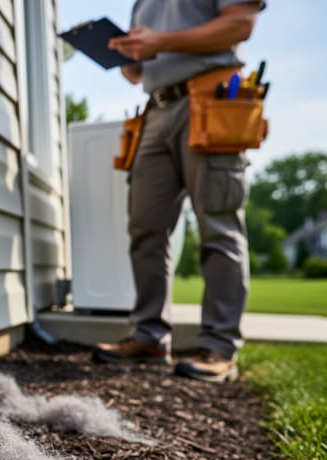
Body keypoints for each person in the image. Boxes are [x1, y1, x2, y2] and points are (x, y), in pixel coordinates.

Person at [93, 0, 266, 382]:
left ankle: (220, 346)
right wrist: (125, 55)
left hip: (211, 99)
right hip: (155, 110)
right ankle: (149, 336)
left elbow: (240, 24)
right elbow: (136, 74)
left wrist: (161, 41)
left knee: (218, 225)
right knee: (146, 229)